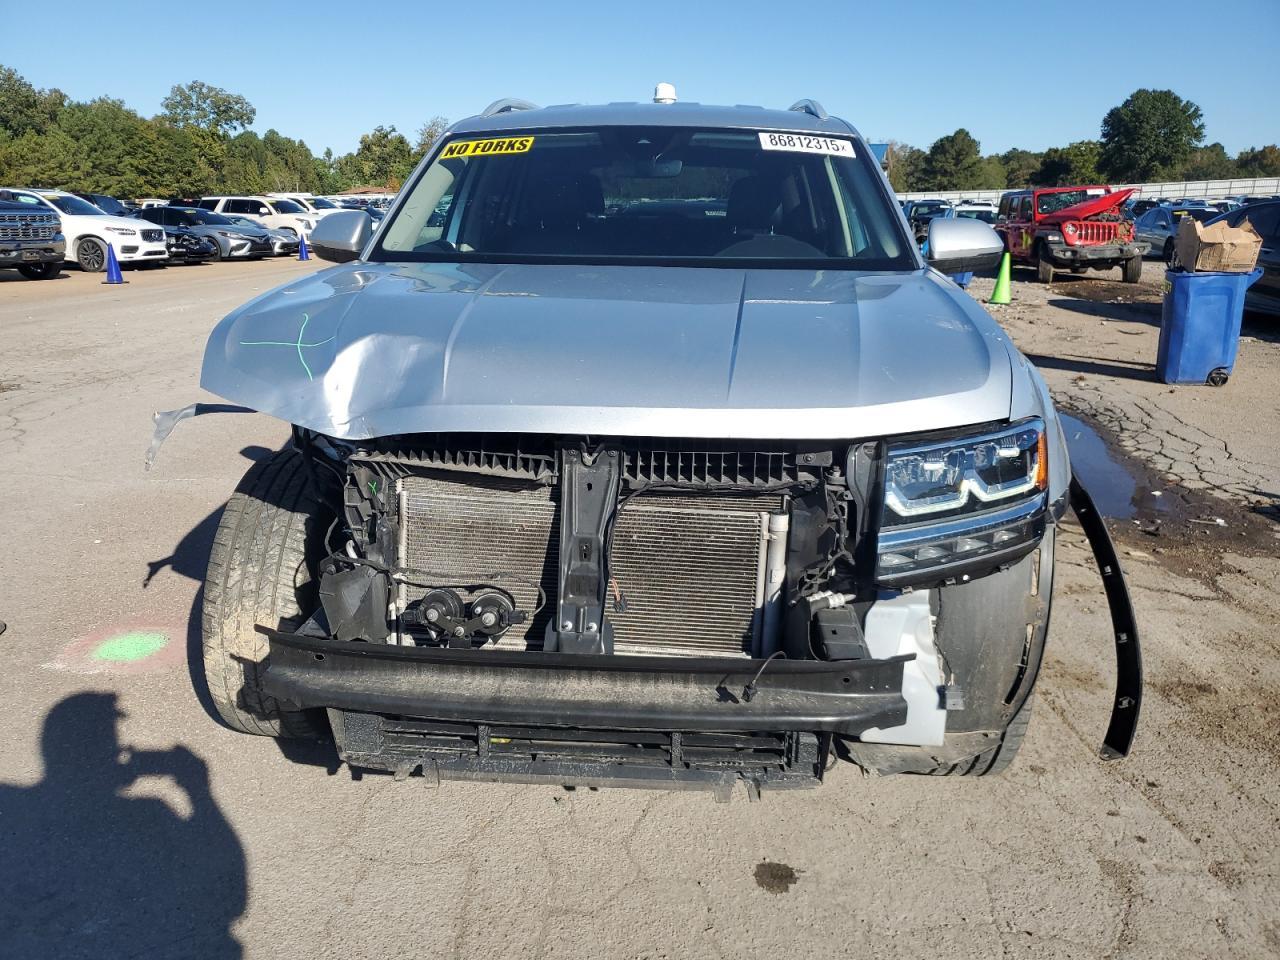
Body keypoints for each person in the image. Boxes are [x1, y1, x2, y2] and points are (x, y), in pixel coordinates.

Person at [0, 692, 247, 959]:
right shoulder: (147, 816)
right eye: (112, 740)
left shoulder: (16, 808)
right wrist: (198, 791)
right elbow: (231, 896)